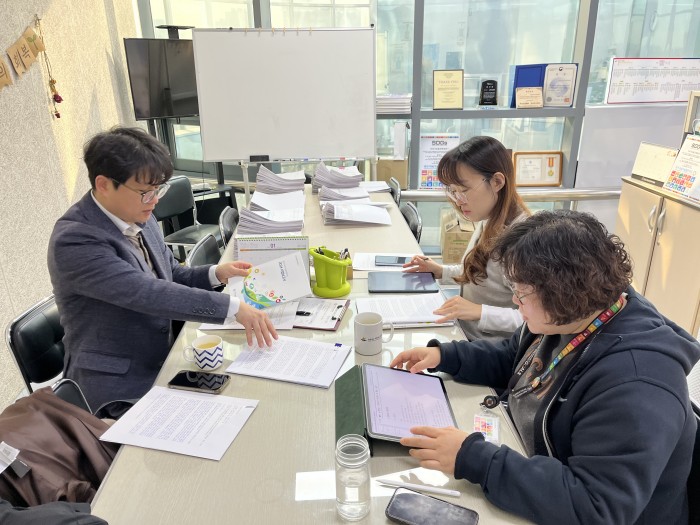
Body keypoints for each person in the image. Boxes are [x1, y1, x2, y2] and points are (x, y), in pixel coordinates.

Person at [391, 210, 700, 525]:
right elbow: (514, 359)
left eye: (521, 292)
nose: (514, 301)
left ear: (563, 292)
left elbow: (596, 508)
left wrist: (474, 458)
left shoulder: (636, 383)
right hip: (532, 463)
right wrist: (446, 356)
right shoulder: (572, 315)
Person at [48, 127, 278, 409]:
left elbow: (171, 273)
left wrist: (216, 273)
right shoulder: (75, 240)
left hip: (163, 356)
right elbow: (146, 293)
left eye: (158, 189)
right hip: (117, 385)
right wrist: (232, 308)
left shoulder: (136, 213)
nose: (155, 200)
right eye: (146, 192)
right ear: (104, 184)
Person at [403, 136, 529, 341]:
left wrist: (480, 312)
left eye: (463, 190)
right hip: (464, 333)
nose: (458, 201)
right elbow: (481, 275)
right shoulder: (489, 218)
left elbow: (536, 320)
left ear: (497, 182)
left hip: (491, 349)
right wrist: (441, 271)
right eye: (453, 191)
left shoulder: (522, 244)